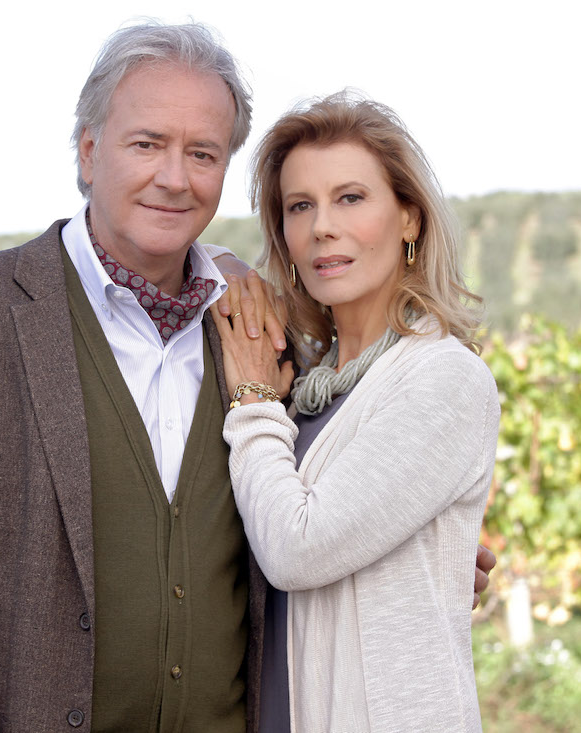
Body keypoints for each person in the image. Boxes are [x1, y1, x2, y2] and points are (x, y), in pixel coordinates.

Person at [0, 22, 494, 732]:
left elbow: (301, 522)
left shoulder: (260, 340)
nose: (174, 178)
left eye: (202, 153)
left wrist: (416, 564)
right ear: (89, 151)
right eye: (146, 144)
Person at [211, 93, 500, 732]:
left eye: (350, 198)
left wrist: (253, 402)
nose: (323, 227)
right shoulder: (312, 383)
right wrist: (223, 265)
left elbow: (295, 549)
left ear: (409, 219)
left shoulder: (444, 377)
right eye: (299, 206)